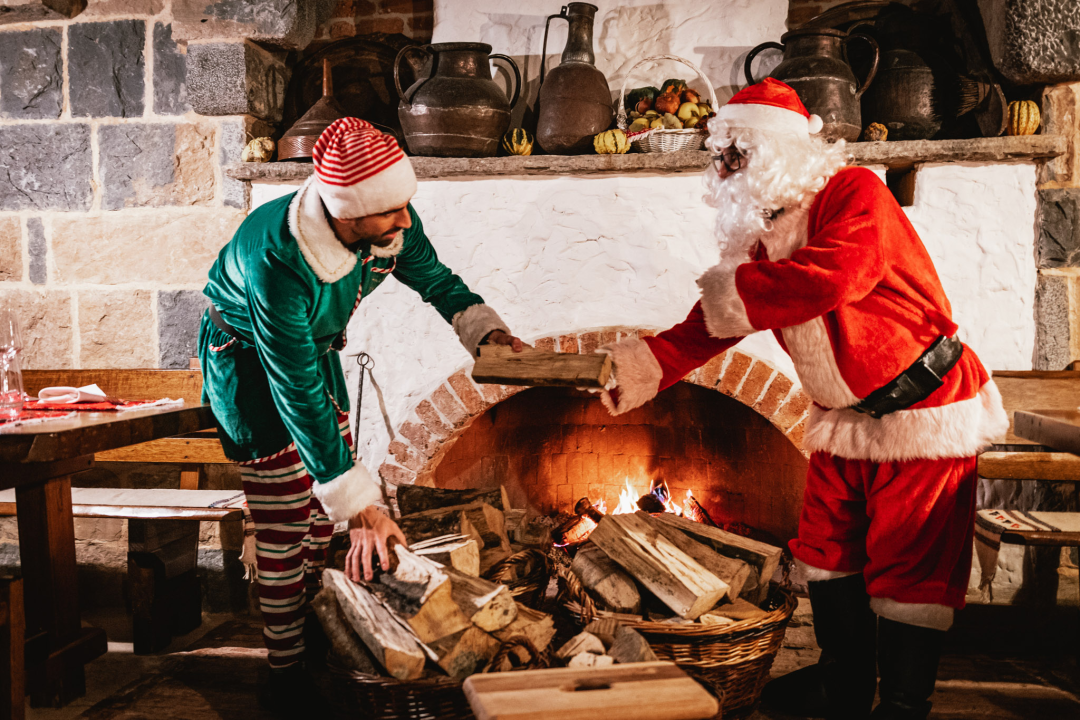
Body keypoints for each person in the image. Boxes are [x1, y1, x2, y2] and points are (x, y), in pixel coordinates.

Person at [596, 78, 1008, 720]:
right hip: (841, 420)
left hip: (925, 410)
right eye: (720, 153)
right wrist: (648, 365)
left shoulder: (855, 192)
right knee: (824, 551)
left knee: (911, 571)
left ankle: (902, 703)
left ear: (781, 149)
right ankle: (842, 685)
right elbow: (717, 317)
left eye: (739, 152)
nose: (725, 165)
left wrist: (738, 291)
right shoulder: (762, 240)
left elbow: (836, 276)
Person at [198, 118, 522, 711]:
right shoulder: (277, 256)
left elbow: (437, 281)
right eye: (390, 212)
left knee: (324, 523)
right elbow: (292, 388)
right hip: (247, 370)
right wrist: (365, 507)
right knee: (285, 525)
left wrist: (489, 336)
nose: (405, 219)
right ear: (347, 214)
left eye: (405, 205)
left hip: (311, 356)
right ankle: (286, 673)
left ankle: (326, 636)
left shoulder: (388, 220)